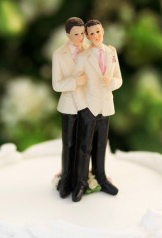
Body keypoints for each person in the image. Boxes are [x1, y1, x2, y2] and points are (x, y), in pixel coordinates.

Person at [72, 19, 123, 202]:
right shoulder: (83, 57)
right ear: (87, 36)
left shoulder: (111, 52)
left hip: (106, 106)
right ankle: (81, 181)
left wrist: (112, 83)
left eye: (98, 31)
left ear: (103, 31)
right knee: (85, 146)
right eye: (91, 33)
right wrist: (83, 108)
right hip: (89, 107)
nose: (95, 36)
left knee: (101, 145)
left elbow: (119, 79)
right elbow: (76, 85)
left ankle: (100, 177)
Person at [52, 17, 87, 198]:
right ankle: (66, 178)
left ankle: (81, 180)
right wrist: (74, 81)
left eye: (82, 33)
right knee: (68, 144)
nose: (80, 37)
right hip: (68, 105)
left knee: (84, 144)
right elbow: (57, 85)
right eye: (76, 34)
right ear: (67, 35)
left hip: (87, 104)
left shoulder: (90, 51)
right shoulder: (59, 54)